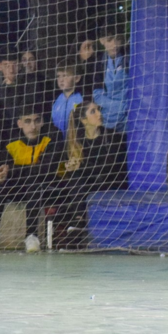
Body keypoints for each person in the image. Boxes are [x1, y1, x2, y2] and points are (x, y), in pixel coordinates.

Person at [0, 105, 62, 253]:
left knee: (34, 181)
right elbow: (4, 166)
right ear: (20, 123)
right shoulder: (12, 142)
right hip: (19, 188)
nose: (33, 126)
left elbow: (45, 170)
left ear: (42, 122)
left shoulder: (52, 138)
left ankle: (32, 236)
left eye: (37, 121)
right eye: (28, 121)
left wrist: (12, 170)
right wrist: (1, 174)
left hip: (47, 188)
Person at [50, 101, 127, 248]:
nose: (99, 114)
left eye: (98, 110)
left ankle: (77, 221)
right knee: (75, 178)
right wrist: (67, 167)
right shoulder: (75, 142)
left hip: (110, 182)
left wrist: (81, 167)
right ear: (83, 120)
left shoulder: (112, 137)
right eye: (93, 111)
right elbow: (58, 170)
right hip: (85, 186)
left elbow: (109, 169)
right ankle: (76, 222)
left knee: (78, 177)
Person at [93, 23, 129, 134]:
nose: (114, 44)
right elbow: (97, 96)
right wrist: (121, 107)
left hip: (128, 119)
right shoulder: (99, 62)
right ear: (101, 41)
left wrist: (128, 108)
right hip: (107, 120)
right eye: (109, 40)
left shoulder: (129, 58)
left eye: (118, 39)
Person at [51, 59, 84, 137]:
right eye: (58, 76)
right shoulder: (56, 100)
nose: (61, 80)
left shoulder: (82, 98)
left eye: (65, 75)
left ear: (77, 78)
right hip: (58, 141)